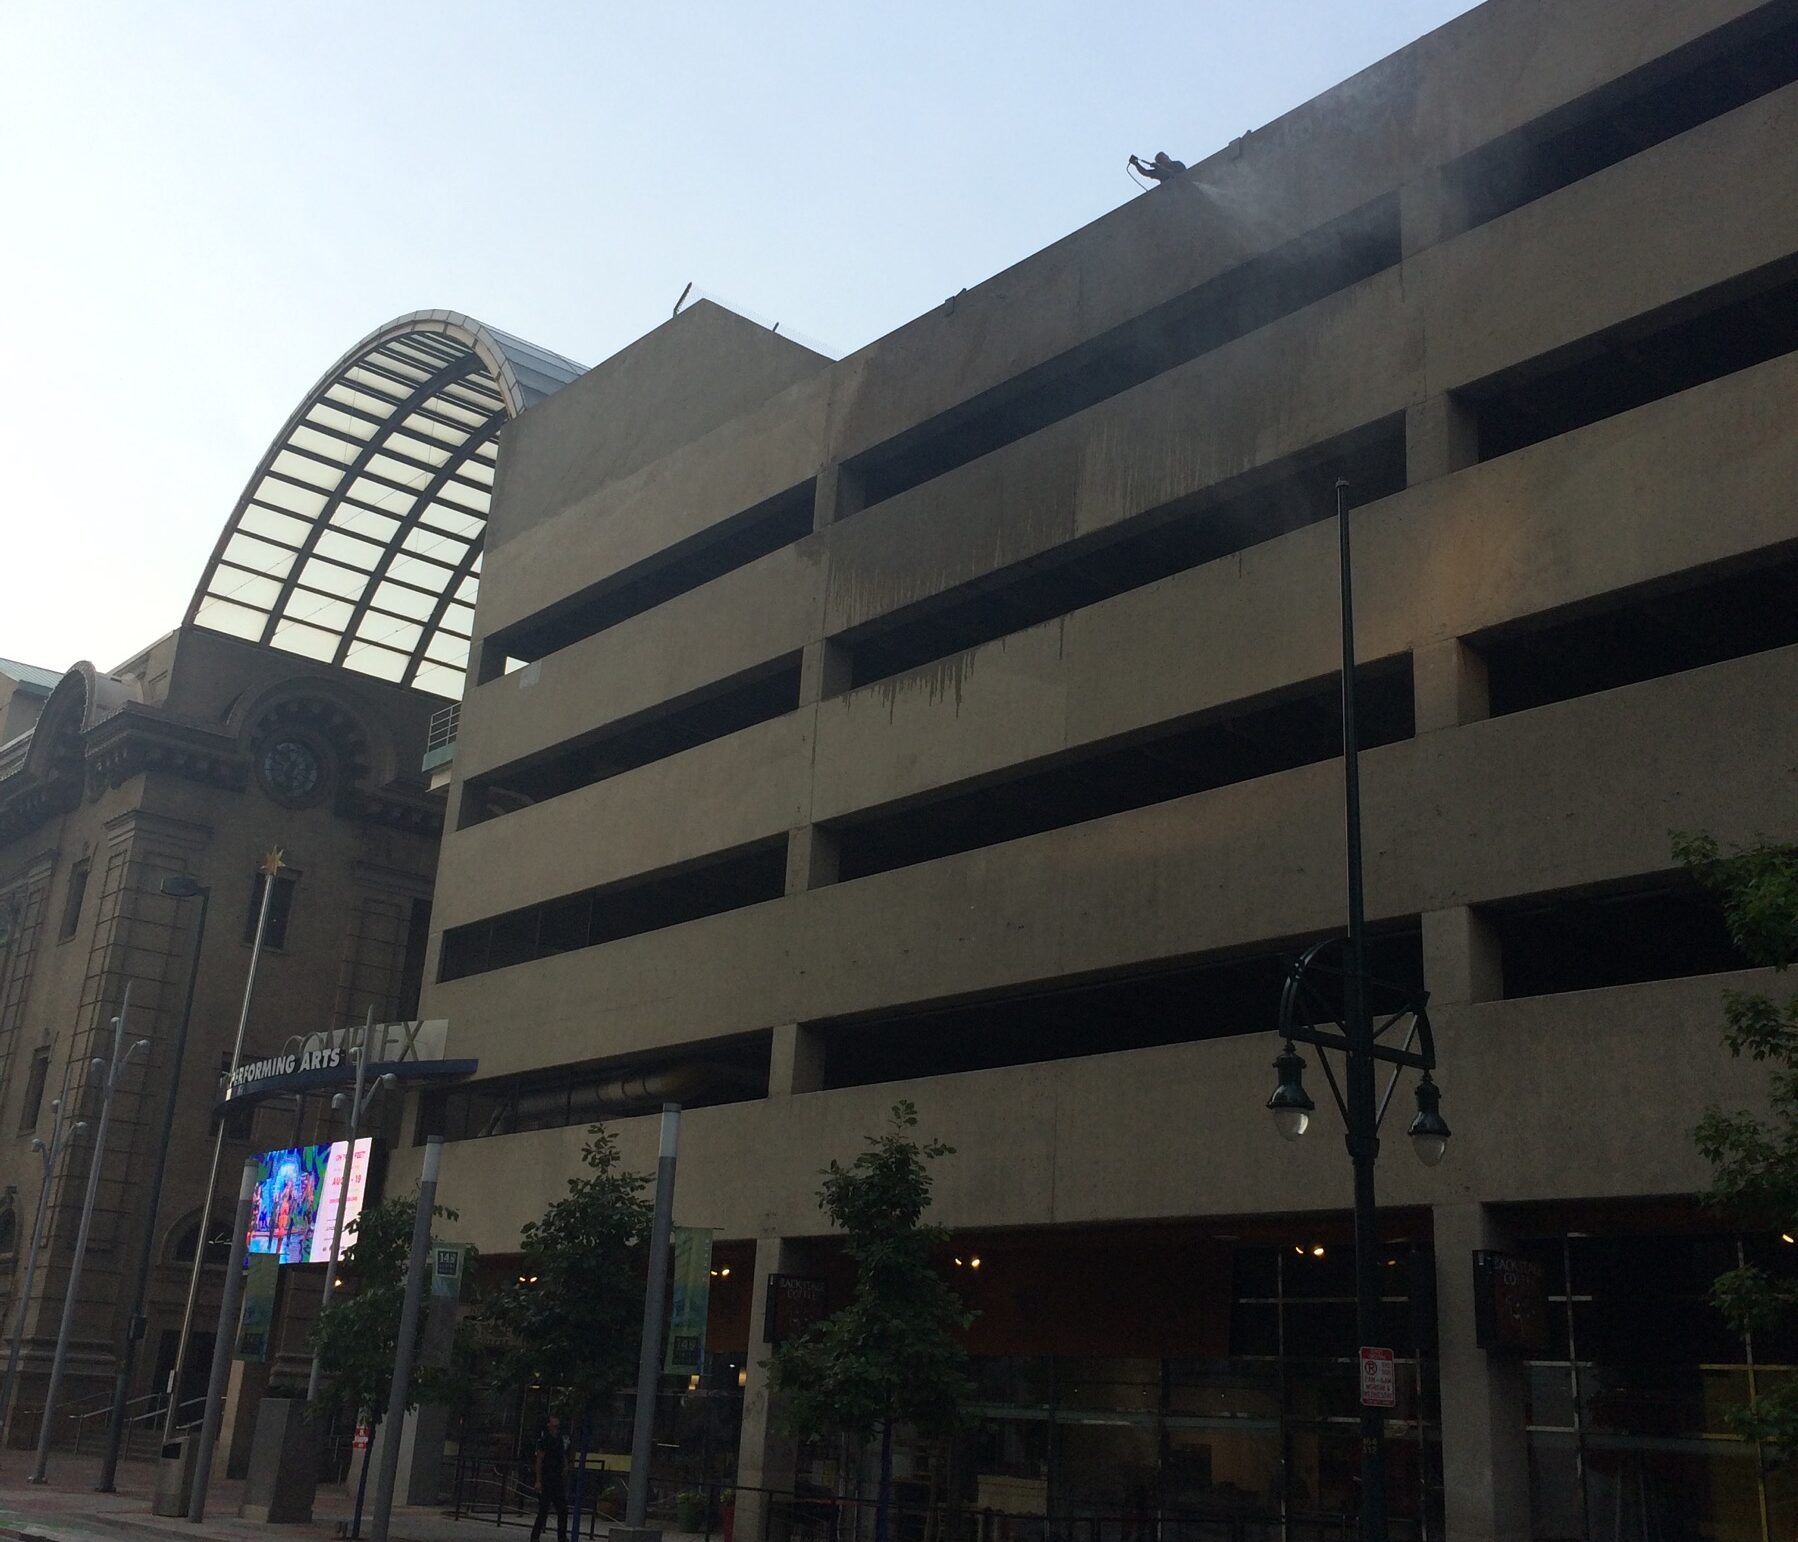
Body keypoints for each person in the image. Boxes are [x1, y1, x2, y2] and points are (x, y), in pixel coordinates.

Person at [530, 1413, 570, 1542]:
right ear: (548, 1424)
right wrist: (538, 1480)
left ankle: (562, 1537)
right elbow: (539, 1460)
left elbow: (562, 1453)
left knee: (563, 1509)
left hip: (557, 1477)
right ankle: (535, 1536)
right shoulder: (544, 1440)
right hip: (547, 1477)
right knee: (543, 1510)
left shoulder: (559, 1438)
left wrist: (565, 1465)